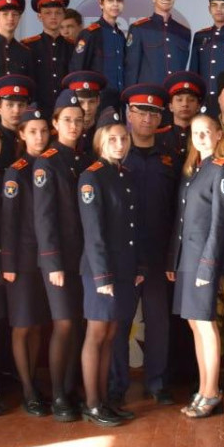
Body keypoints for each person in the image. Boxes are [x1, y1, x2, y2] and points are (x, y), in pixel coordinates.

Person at [109, 84, 179, 407]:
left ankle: (157, 382)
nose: (147, 119)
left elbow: (177, 208)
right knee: (120, 320)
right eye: (141, 112)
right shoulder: (118, 154)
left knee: (158, 321)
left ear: (161, 117)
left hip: (158, 252)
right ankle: (117, 384)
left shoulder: (170, 156)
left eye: (154, 113)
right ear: (129, 114)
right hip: (124, 254)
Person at [78, 108, 143, 427]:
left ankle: (104, 400)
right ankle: (92, 404)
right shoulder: (92, 176)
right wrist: (103, 276)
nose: (119, 144)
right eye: (113, 139)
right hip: (100, 271)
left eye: (123, 138)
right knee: (97, 333)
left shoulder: (124, 175)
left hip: (124, 268)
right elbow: (94, 232)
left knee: (112, 334)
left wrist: (137, 265)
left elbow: (133, 227)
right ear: (100, 141)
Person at [168, 113, 224, 418]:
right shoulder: (193, 169)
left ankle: (212, 391)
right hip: (186, 259)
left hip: (202, 260)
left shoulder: (221, 170)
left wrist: (208, 265)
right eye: (196, 133)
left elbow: (220, 225)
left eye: (207, 132)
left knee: (205, 324)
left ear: (219, 134)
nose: (201, 137)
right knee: (194, 324)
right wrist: (173, 259)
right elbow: (181, 222)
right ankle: (204, 388)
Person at [31, 90, 90, 422]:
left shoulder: (83, 158)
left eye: (78, 120)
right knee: (64, 323)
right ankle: (57, 395)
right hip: (58, 259)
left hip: (82, 257)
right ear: (55, 123)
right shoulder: (47, 161)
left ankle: (70, 387)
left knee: (78, 323)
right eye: (67, 120)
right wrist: (52, 261)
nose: (73, 125)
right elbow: (44, 217)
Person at [1, 103, 53, 417]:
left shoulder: (51, 165)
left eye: (44, 131)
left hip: (44, 260)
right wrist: (8, 263)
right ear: (21, 134)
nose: (39, 137)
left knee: (36, 325)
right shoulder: (16, 171)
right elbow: (9, 221)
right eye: (32, 131)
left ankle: (33, 380)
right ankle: (28, 390)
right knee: (21, 325)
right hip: (21, 260)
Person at [71, 0, 132, 111]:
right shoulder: (90, 34)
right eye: (110, 0)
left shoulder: (121, 36)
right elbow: (78, 71)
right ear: (101, 4)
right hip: (97, 102)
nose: (115, 4)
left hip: (119, 102)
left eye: (119, 0)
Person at [126, 0, 191, 87]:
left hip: (175, 96)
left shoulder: (184, 32)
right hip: (148, 95)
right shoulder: (139, 29)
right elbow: (132, 70)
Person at [23, 0, 73, 112]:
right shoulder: (27, 46)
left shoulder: (72, 47)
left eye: (58, 12)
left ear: (64, 15)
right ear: (39, 16)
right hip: (36, 111)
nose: (53, 17)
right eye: (48, 13)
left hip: (65, 112)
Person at [156, 71, 204, 160]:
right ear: (170, 106)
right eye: (179, 100)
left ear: (198, 107)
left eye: (191, 100)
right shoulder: (157, 136)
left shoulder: (205, 136)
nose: (185, 104)